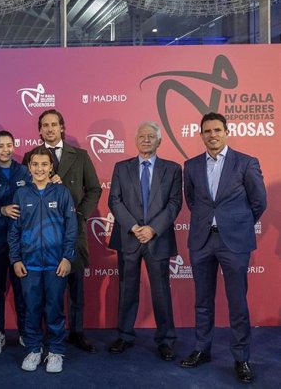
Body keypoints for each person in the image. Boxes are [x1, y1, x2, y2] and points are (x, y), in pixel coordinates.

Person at [180, 112, 267, 384]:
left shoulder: (246, 162)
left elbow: (259, 202)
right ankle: (201, 349)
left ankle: (241, 357)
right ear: (201, 134)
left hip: (235, 242)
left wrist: (237, 224)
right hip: (202, 240)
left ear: (226, 132)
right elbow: (192, 201)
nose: (212, 135)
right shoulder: (191, 166)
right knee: (202, 301)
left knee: (237, 302)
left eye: (217, 130)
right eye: (207, 131)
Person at [107, 122, 182, 360]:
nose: (146, 140)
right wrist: (134, 227)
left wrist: (152, 229)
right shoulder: (121, 167)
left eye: (151, 136)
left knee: (161, 292)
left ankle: (166, 340)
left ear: (159, 141)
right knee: (127, 289)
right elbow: (114, 200)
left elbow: (174, 203)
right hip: (129, 237)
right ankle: (125, 335)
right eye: (142, 136)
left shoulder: (173, 169)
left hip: (157, 238)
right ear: (136, 140)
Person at [29, 109, 101, 353]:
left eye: (54, 124)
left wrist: (79, 214)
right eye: (45, 125)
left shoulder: (79, 155)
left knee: (75, 285)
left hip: (73, 231)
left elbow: (94, 189)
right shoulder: (31, 156)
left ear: (62, 127)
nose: (49, 129)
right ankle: (47, 335)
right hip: (41, 234)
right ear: (39, 130)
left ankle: (77, 332)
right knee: (45, 289)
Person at [8, 146, 77, 373]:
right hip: (29, 265)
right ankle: (34, 349)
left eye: (44, 164)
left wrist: (67, 257)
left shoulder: (62, 193)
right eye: (35, 164)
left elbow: (71, 229)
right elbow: (14, 231)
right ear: (29, 167)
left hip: (56, 264)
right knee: (31, 309)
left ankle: (56, 351)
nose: (39, 168)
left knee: (55, 308)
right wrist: (16, 259)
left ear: (51, 167)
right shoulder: (21, 194)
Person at [0, 130, 28, 354]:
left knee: (22, 289)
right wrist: (1, 210)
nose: (5, 150)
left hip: (22, 242)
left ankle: (25, 332)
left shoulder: (24, 170)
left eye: (9, 145)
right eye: (1, 146)